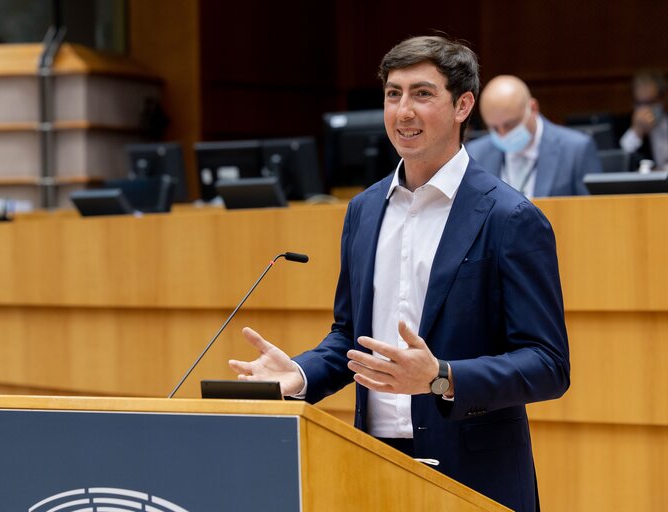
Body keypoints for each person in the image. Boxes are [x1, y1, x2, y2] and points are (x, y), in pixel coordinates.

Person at [229, 35, 570, 512]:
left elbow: (548, 365)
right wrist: (301, 374)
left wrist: (441, 377)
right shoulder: (363, 211)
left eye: (422, 93)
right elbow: (350, 335)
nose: (403, 111)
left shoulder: (510, 218)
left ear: (463, 105)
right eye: (394, 94)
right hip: (370, 461)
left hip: (473, 476)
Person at [466, 75, 602, 197]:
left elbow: (593, 213)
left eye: (510, 125)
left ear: (533, 108)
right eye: (494, 128)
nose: (503, 134)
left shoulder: (576, 150)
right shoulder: (475, 154)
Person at [619, 69, 668, 170]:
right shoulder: (624, 124)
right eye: (640, 103)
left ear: (662, 98)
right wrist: (637, 131)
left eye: (650, 102)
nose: (645, 109)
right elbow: (620, 161)